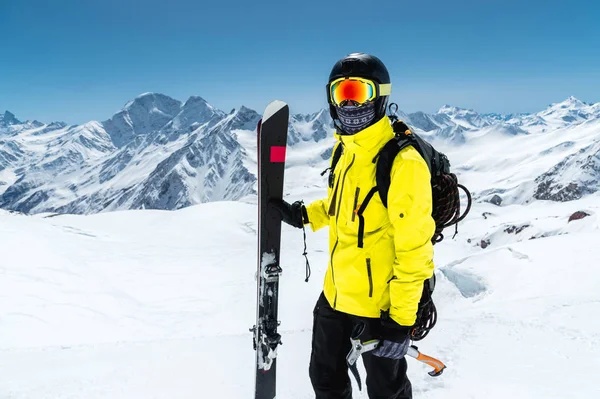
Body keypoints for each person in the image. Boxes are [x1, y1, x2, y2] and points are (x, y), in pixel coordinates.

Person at [271, 52, 435, 399]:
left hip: (380, 308)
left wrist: (401, 320)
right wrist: (304, 215)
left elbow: (415, 250)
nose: (347, 104)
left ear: (379, 96)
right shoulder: (345, 151)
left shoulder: (403, 163)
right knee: (326, 381)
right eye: (339, 93)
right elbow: (342, 207)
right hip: (335, 294)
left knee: (385, 391)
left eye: (357, 92)